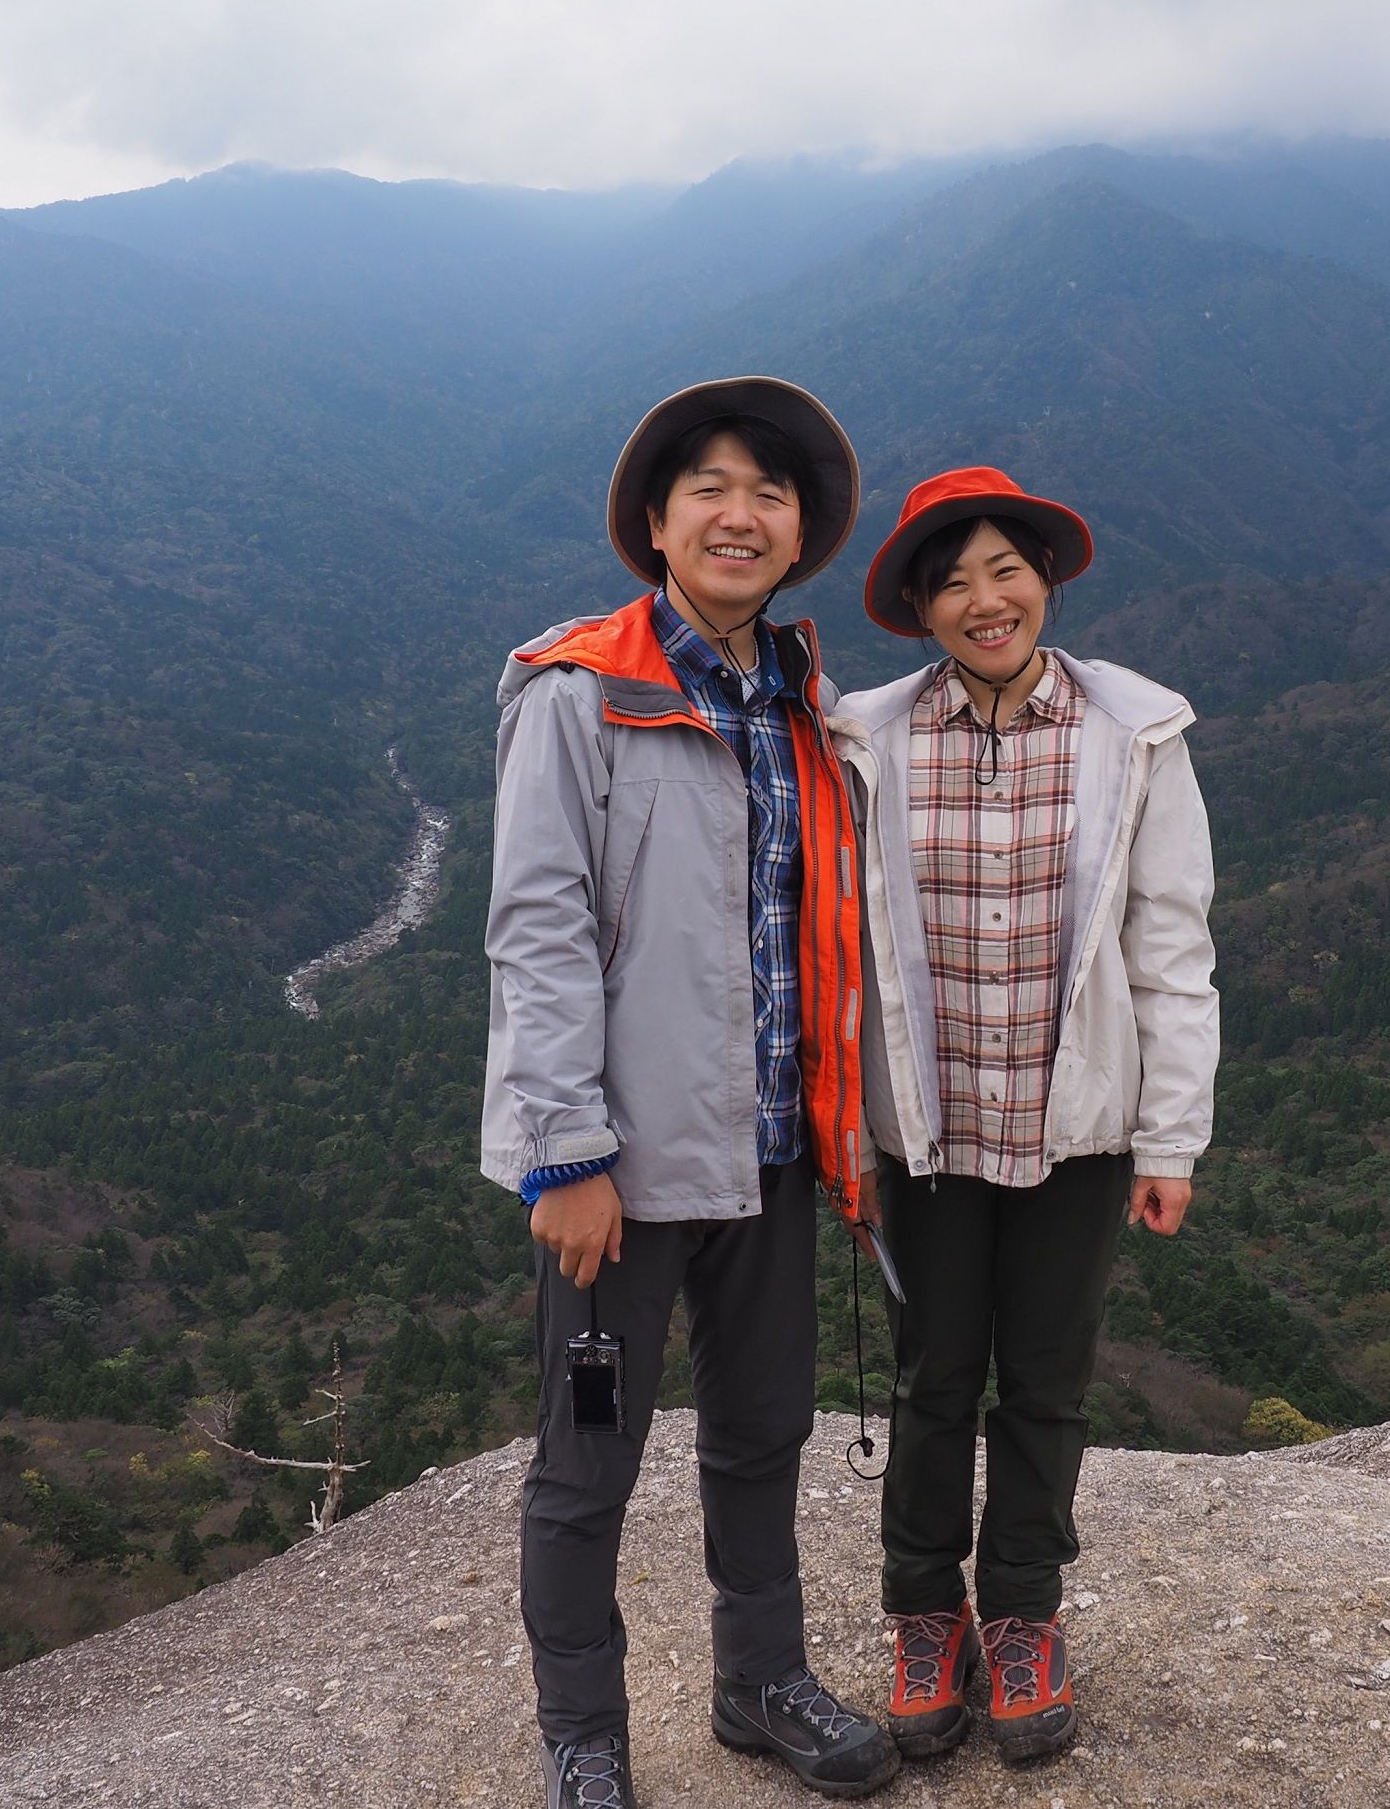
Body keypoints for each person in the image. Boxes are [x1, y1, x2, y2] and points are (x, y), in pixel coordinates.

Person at [481, 377, 902, 1809]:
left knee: (761, 1432)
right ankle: (584, 1735)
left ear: (798, 535)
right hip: (627, 1158)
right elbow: (538, 926)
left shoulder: (805, 703)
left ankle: (757, 1679)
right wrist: (565, 1151)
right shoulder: (581, 690)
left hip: (776, 1150)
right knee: (587, 1461)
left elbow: (824, 934)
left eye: (769, 493)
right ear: (656, 523)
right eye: (709, 487)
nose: (741, 512)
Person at [829, 466, 1219, 1768]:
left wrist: (1171, 1137)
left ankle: (1026, 1617)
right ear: (921, 606)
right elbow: (834, 950)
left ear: (1044, 578)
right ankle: (924, 1618)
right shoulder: (868, 740)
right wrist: (837, 1129)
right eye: (952, 579)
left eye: (1005, 569)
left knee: (1046, 1384)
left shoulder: (1133, 735)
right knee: (934, 1378)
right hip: (927, 1134)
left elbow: (1172, 945)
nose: (984, 598)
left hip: (1076, 1132)